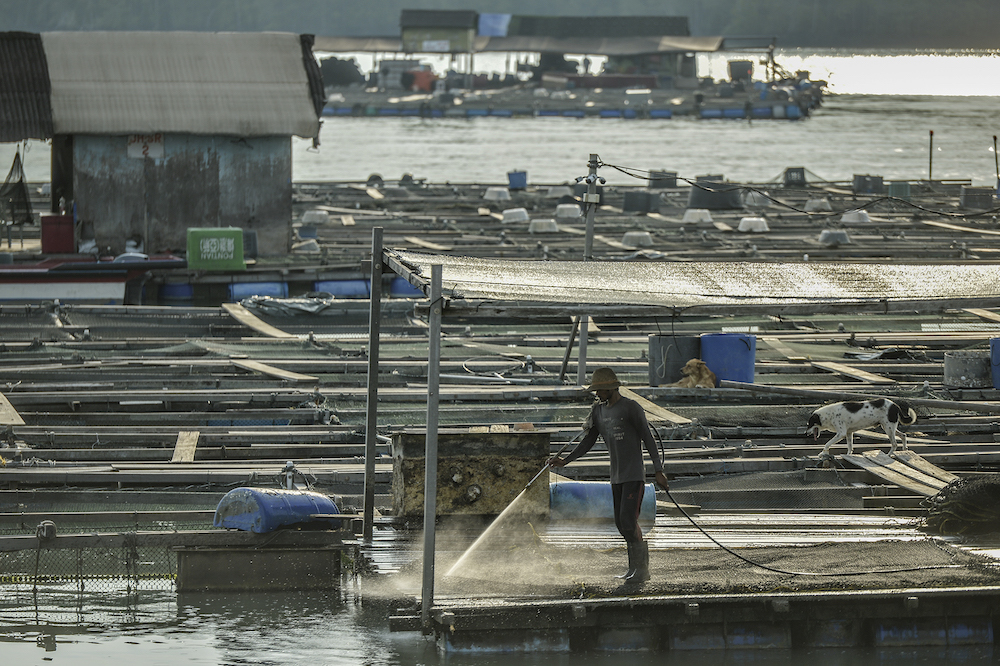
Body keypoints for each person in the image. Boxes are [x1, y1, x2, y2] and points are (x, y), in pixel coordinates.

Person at [549, 367, 669, 584]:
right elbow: (588, 441)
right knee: (621, 523)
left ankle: (642, 570)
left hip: (633, 475)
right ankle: (634, 568)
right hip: (616, 477)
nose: (597, 394)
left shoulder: (631, 408)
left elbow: (648, 439)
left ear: (612, 388)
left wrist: (658, 470)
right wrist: (565, 460)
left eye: (600, 390)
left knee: (628, 521)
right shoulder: (599, 412)